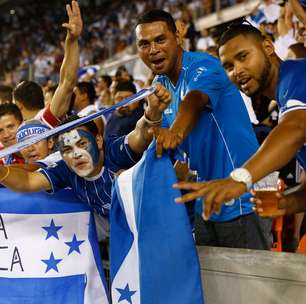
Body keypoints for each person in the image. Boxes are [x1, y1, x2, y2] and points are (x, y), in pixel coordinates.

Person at [135, 9, 271, 249]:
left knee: (250, 285)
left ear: (177, 37)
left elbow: (194, 100)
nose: (153, 49)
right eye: (144, 44)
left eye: (160, 39)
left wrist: (175, 132)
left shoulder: (205, 65)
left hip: (240, 196)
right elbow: (164, 145)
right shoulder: (159, 84)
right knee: (213, 285)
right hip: (204, 200)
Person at [174, 23, 306, 220]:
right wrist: (288, 202)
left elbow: (296, 128)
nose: (237, 70)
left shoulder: (298, 74)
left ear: (268, 47)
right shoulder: (286, 97)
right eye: (228, 67)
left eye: (243, 57)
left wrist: (240, 178)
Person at [0, 84, 171, 233]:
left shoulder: (114, 151)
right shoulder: (65, 169)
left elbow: (141, 134)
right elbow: (28, 181)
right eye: (67, 149)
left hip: (160, 222)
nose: (76, 154)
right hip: (119, 235)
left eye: (82, 144)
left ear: (98, 140)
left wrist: (153, 112)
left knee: (123, 179)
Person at [13, 0, 82, 127]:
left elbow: (67, 82)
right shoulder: (15, 131)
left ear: (19, 104)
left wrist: (72, 40)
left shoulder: (45, 119)